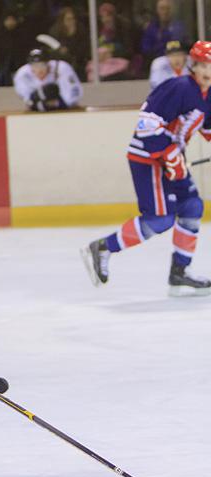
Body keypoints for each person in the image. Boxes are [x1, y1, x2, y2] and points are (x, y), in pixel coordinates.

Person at [82, 41, 211, 297]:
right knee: (160, 219)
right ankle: (104, 247)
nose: (208, 71)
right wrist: (170, 155)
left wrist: (174, 157)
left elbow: (207, 129)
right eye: (204, 65)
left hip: (173, 158)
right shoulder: (178, 87)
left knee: (192, 207)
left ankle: (180, 272)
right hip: (148, 157)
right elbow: (146, 125)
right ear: (193, 66)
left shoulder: (209, 96)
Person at [13, 48, 83, 112]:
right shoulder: (22, 75)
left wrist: (59, 104)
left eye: (42, 65)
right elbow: (28, 100)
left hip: (66, 109)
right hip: (37, 110)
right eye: (35, 66)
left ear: (48, 63)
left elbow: (73, 94)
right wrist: (37, 102)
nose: (39, 70)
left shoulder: (62, 68)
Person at [141, 0, 186, 64]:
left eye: (168, 8)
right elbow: (145, 49)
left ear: (172, 10)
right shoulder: (151, 27)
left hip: (175, 63)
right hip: (154, 63)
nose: (165, 12)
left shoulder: (178, 27)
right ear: (157, 10)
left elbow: (178, 46)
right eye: (162, 8)